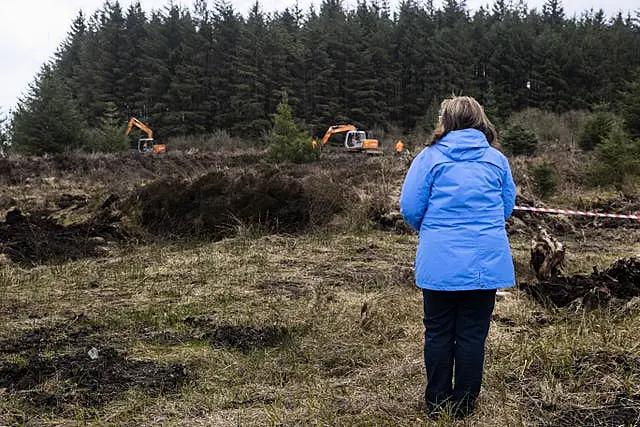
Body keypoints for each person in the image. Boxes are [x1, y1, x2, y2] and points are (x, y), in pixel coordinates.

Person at [399, 96, 516, 419]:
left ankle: (436, 403)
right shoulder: (496, 161)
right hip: (485, 264)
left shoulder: (429, 158)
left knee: (437, 332)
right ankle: (464, 406)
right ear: (480, 121)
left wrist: (434, 231)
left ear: (446, 121)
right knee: (472, 335)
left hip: (439, 263)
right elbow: (507, 208)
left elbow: (409, 209)